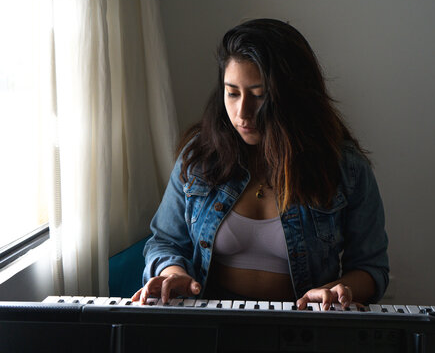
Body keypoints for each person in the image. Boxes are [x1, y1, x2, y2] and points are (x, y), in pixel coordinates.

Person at [131, 18, 389, 310]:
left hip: (301, 328)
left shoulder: (345, 168)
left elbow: (372, 268)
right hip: (209, 323)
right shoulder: (200, 156)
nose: (243, 112)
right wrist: (173, 274)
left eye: (258, 95)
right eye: (232, 93)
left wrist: (334, 291)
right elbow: (165, 242)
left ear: (293, 96)